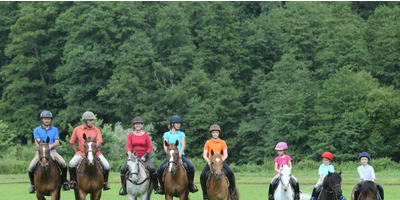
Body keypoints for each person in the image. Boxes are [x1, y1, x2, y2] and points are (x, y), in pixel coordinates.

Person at [27, 110, 70, 193]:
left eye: (49, 119)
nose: (47, 120)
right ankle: (32, 185)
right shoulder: (36, 130)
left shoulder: (54, 130)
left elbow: (57, 142)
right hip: (40, 152)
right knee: (31, 167)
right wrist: (44, 146)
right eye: (45, 119)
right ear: (42, 120)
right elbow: (37, 142)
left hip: (52, 151)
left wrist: (50, 146)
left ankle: (65, 182)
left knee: (63, 163)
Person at [156, 115, 198, 194]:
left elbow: (183, 145)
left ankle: (191, 185)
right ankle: (162, 187)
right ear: (172, 124)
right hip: (170, 156)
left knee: (191, 167)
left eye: (179, 123)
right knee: (159, 169)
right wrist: (168, 153)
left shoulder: (182, 134)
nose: (179, 125)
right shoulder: (166, 134)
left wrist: (180, 153)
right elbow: (165, 146)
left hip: (180, 156)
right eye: (177, 123)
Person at [68, 111, 111, 190]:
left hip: (96, 153)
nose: (92, 122)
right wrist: (75, 151)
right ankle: (73, 181)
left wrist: (93, 148)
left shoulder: (96, 130)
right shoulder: (77, 129)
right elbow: (72, 142)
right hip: (82, 153)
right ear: (85, 121)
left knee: (107, 165)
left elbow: (99, 141)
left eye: (92, 120)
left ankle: (105, 183)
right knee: (71, 164)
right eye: (90, 120)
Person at [118, 116, 159, 195]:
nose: (138, 125)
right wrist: (129, 153)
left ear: (142, 125)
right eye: (136, 124)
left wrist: (145, 155)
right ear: (134, 125)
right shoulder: (130, 135)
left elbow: (150, 147)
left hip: (144, 157)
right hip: (133, 157)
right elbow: (127, 146)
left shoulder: (146, 135)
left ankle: (156, 187)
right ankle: (124, 188)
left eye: (139, 124)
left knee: (152, 169)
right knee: (123, 169)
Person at [200, 124, 237, 200]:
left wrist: (221, 161)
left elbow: (226, 154)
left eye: (216, 132)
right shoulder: (208, 142)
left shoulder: (222, 142)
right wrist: (209, 162)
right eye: (213, 132)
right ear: (211, 133)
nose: (215, 134)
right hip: (211, 163)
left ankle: (232, 189)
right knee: (202, 175)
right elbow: (204, 154)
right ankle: (205, 193)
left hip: (220, 162)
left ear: (218, 133)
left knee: (230, 173)